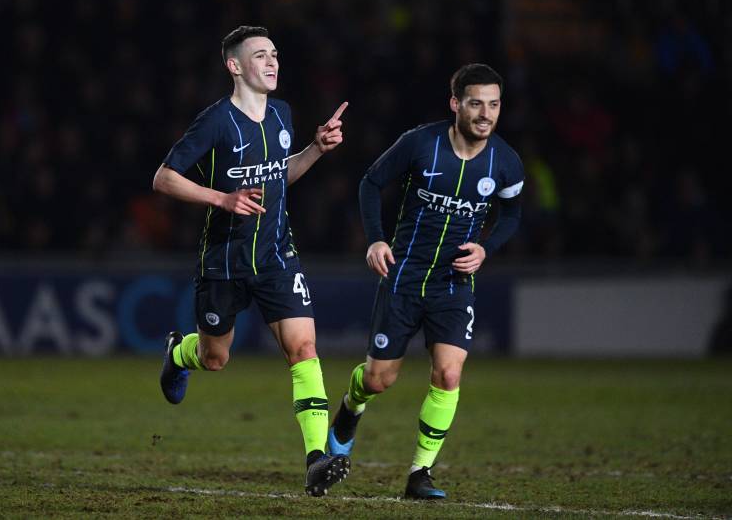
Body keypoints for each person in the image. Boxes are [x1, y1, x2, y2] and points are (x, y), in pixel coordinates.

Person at [153, 25, 350, 497]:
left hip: (278, 255)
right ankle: (179, 354)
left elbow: (280, 175)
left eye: (275, 54)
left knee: (304, 349)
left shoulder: (283, 114)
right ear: (235, 66)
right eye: (261, 55)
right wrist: (221, 198)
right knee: (215, 357)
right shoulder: (215, 121)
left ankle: (316, 459)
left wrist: (315, 150)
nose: (272, 61)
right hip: (225, 261)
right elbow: (164, 178)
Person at [328, 63, 524, 499]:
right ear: (455, 104)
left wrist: (486, 248)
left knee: (449, 374)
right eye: (476, 103)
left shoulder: (506, 162)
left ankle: (421, 473)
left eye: (494, 105)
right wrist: (376, 239)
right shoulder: (420, 143)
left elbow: (512, 213)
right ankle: (350, 410)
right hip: (403, 277)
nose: (486, 114)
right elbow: (370, 183)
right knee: (378, 380)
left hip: (453, 284)